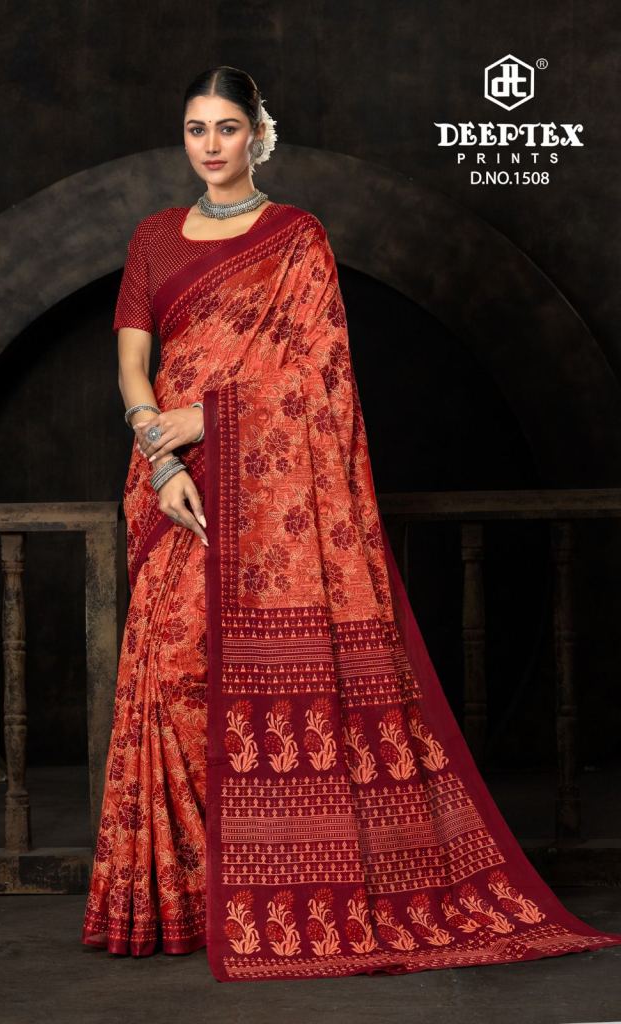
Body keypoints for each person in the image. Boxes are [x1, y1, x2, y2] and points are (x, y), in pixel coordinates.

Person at [81, 65, 621, 983]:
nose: (210, 145)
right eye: (195, 128)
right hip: (172, 480)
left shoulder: (297, 238)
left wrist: (209, 417)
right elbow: (135, 364)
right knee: (169, 673)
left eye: (226, 127)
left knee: (230, 673)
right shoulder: (154, 237)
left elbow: (320, 376)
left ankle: (259, 889)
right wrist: (161, 453)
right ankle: (196, 892)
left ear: (258, 134)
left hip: (266, 486)